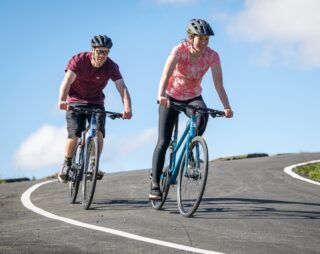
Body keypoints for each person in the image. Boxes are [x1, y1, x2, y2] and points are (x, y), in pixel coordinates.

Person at [149, 19, 233, 200]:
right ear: (191, 37)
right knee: (163, 141)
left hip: (193, 97)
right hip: (171, 97)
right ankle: (155, 183)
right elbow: (165, 75)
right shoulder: (179, 50)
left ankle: (191, 153)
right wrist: (161, 95)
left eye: (207, 40)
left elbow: (219, 84)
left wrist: (226, 107)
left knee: (203, 115)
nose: (204, 43)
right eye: (200, 39)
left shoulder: (212, 56)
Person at [57, 35, 132, 183]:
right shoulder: (79, 60)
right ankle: (66, 164)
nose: (102, 55)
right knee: (75, 133)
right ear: (93, 50)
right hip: (75, 102)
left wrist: (127, 108)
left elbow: (122, 88)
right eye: (99, 52)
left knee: (98, 133)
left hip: (96, 103)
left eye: (106, 52)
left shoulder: (111, 66)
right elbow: (66, 81)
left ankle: (93, 165)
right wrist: (62, 100)